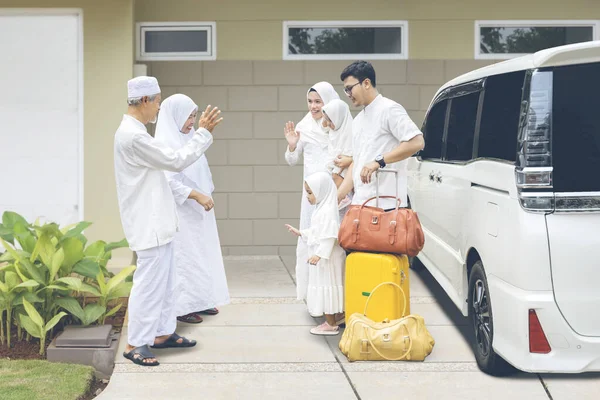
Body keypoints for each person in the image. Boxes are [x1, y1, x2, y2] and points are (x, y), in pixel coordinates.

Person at [114, 76, 222, 366]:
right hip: (148, 223)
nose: (159, 109)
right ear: (145, 101)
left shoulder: (136, 132)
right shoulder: (133, 137)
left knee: (164, 283)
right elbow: (175, 161)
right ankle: (136, 343)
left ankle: (161, 334)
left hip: (158, 221)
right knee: (149, 284)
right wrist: (203, 134)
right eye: (158, 102)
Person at [154, 94, 230, 325]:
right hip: (180, 213)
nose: (192, 122)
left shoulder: (187, 139)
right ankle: (183, 307)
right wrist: (196, 195)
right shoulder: (164, 143)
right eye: (189, 117)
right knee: (185, 258)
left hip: (197, 211)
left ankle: (201, 299)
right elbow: (167, 180)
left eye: (194, 116)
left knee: (202, 255)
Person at [336, 61, 425, 211]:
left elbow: (417, 142)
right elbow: (357, 163)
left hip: (388, 206)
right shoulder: (357, 120)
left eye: (350, 89)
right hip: (361, 204)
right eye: (346, 90)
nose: (348, 95)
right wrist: (337, 196)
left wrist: (379, 161)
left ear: (366, 83)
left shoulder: (389, 109)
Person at [283, 82, 340, 304]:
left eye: (318, 101)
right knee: (311, 236)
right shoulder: (303, 126)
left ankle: (334, 300)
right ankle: (312, 296)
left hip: (336, 187)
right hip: (311, 194)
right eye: (310, 101)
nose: (313, 106)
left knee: (331, 239)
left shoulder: (337, 122)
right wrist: (291, 145)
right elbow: (291, 160)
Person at [285, 172, 345, 335]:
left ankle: (331, 324)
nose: (308, 197)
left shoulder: (327, 213)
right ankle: (332, 319)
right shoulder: (322, 210)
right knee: (326, 288)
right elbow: (318, 232)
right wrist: (302, 232)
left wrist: (319, 254)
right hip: (323, 260)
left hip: (326, 261)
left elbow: (329, 236)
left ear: (322, 191)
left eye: (310, 192)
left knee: (327, 288)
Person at [322, 98, 354, 189]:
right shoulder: (334, 132)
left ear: (339, 118)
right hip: (334, 178)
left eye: (330, 120)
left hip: (345, 181)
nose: (328, 124)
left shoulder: (350, 132)